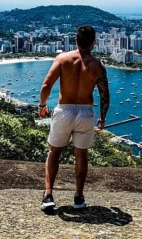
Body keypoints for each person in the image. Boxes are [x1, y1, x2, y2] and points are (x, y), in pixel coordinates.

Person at [38, 25, 110, 213]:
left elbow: (46, 85)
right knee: (81, 155)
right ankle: (78, 197)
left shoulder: (63, 59)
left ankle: (48, 195)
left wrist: (42, 106)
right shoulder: (98, 66)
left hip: (64, 110)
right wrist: (103, 116)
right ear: (94, 44)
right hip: (86, 112)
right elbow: (105, 95)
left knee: (54, 152)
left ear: (75, 40)